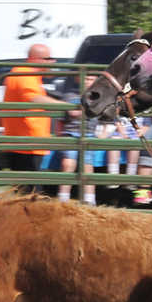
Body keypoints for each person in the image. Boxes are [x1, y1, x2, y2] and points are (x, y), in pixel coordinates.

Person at [0, 43, 69, 193]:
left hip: (26, 143)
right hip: (25, 144)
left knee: (28, 192)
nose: (53, 62)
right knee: (32, 194)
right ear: (35, 59)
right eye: (49, 58)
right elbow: (34, 98)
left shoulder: (29, 75)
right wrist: (67, 106)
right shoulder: (24, 73)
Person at [56, 74, 100, 205]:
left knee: (87, 167)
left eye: (91, 78)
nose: (88, 81)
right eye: (85, 78)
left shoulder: (99, 96)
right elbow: (73, 112)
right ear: (78, 79)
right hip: (71, 133)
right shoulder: (71, 95)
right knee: (68, 164)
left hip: (89, 135)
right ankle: (63, 199)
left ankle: (90, 200)